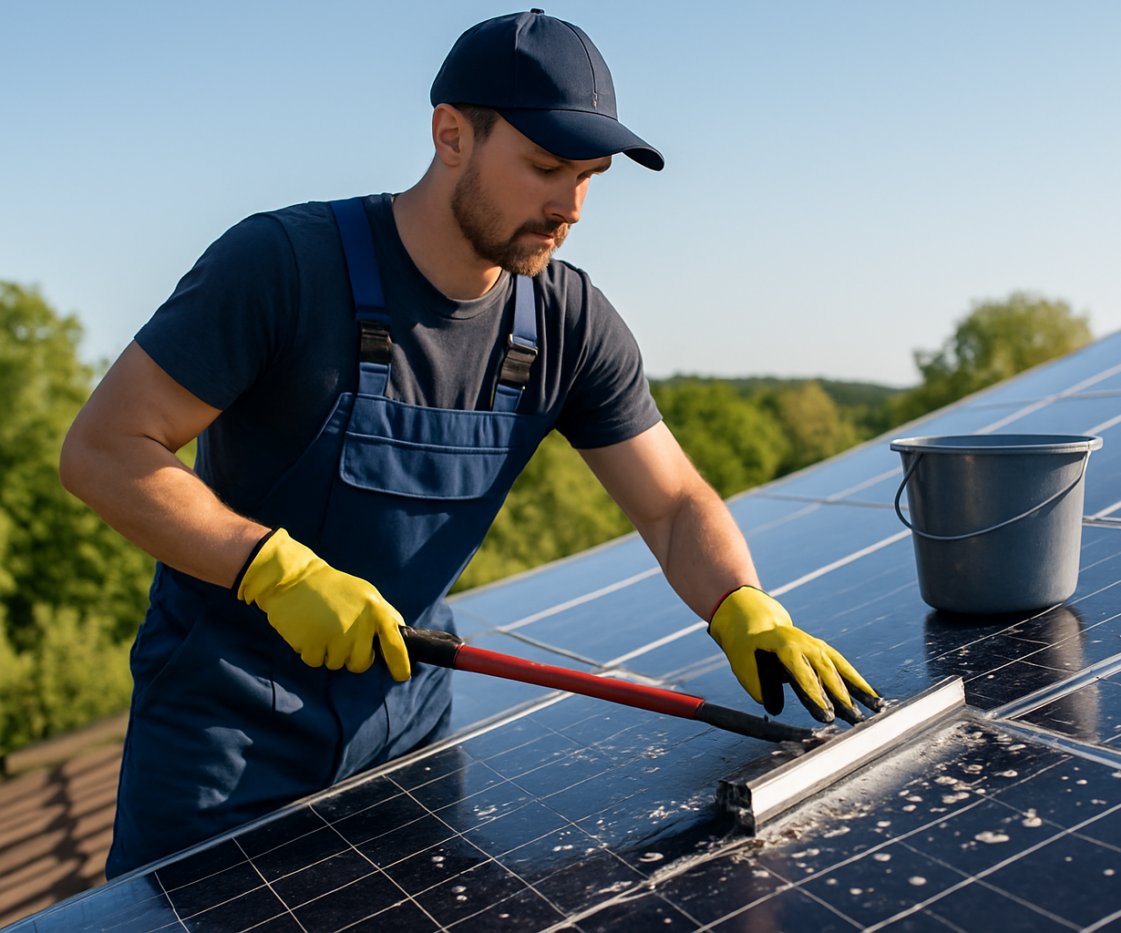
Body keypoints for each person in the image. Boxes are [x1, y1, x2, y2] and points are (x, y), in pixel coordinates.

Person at [60, 10, 882, 878]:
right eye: (544, 167)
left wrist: (741, 602)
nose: (569, 205)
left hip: (405, 735)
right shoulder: (282, 268)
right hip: (223, 743)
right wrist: (277, 571)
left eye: (589, 176)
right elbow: (105, 450)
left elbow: (675, 503)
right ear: (451, 134)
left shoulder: (567, 322)